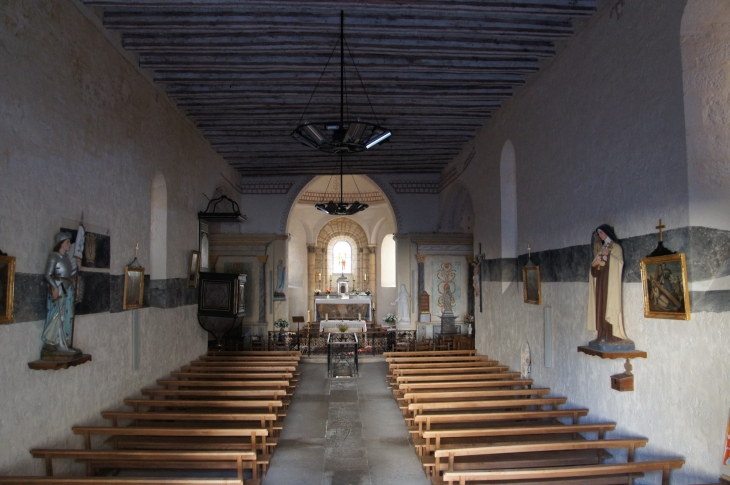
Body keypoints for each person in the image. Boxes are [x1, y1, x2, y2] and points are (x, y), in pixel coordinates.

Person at [586, 224, 634, 350]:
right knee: (600, 308)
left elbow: (619, 263)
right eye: (599, 234)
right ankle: (602, 333)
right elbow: (594, 268)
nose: (600, 236)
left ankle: (611, 335)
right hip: (601, 284)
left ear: (607, 233)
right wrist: (594, 264)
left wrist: (608, 256)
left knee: (608, 306)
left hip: (610, 284)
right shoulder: (603, 248)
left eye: (601, 233)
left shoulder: (616, 247)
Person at [41, 232, 83, 358]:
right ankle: (50, 342)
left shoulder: (66, 258)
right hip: (58, 288)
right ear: (61, 243)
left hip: (67, 288)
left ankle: (62, 341)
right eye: (68, 242)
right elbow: (47, 275)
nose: (70, 245)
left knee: (66, 315)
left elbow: (69, 275)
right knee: (57, 314)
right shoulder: (54, 256)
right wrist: (54, 287)